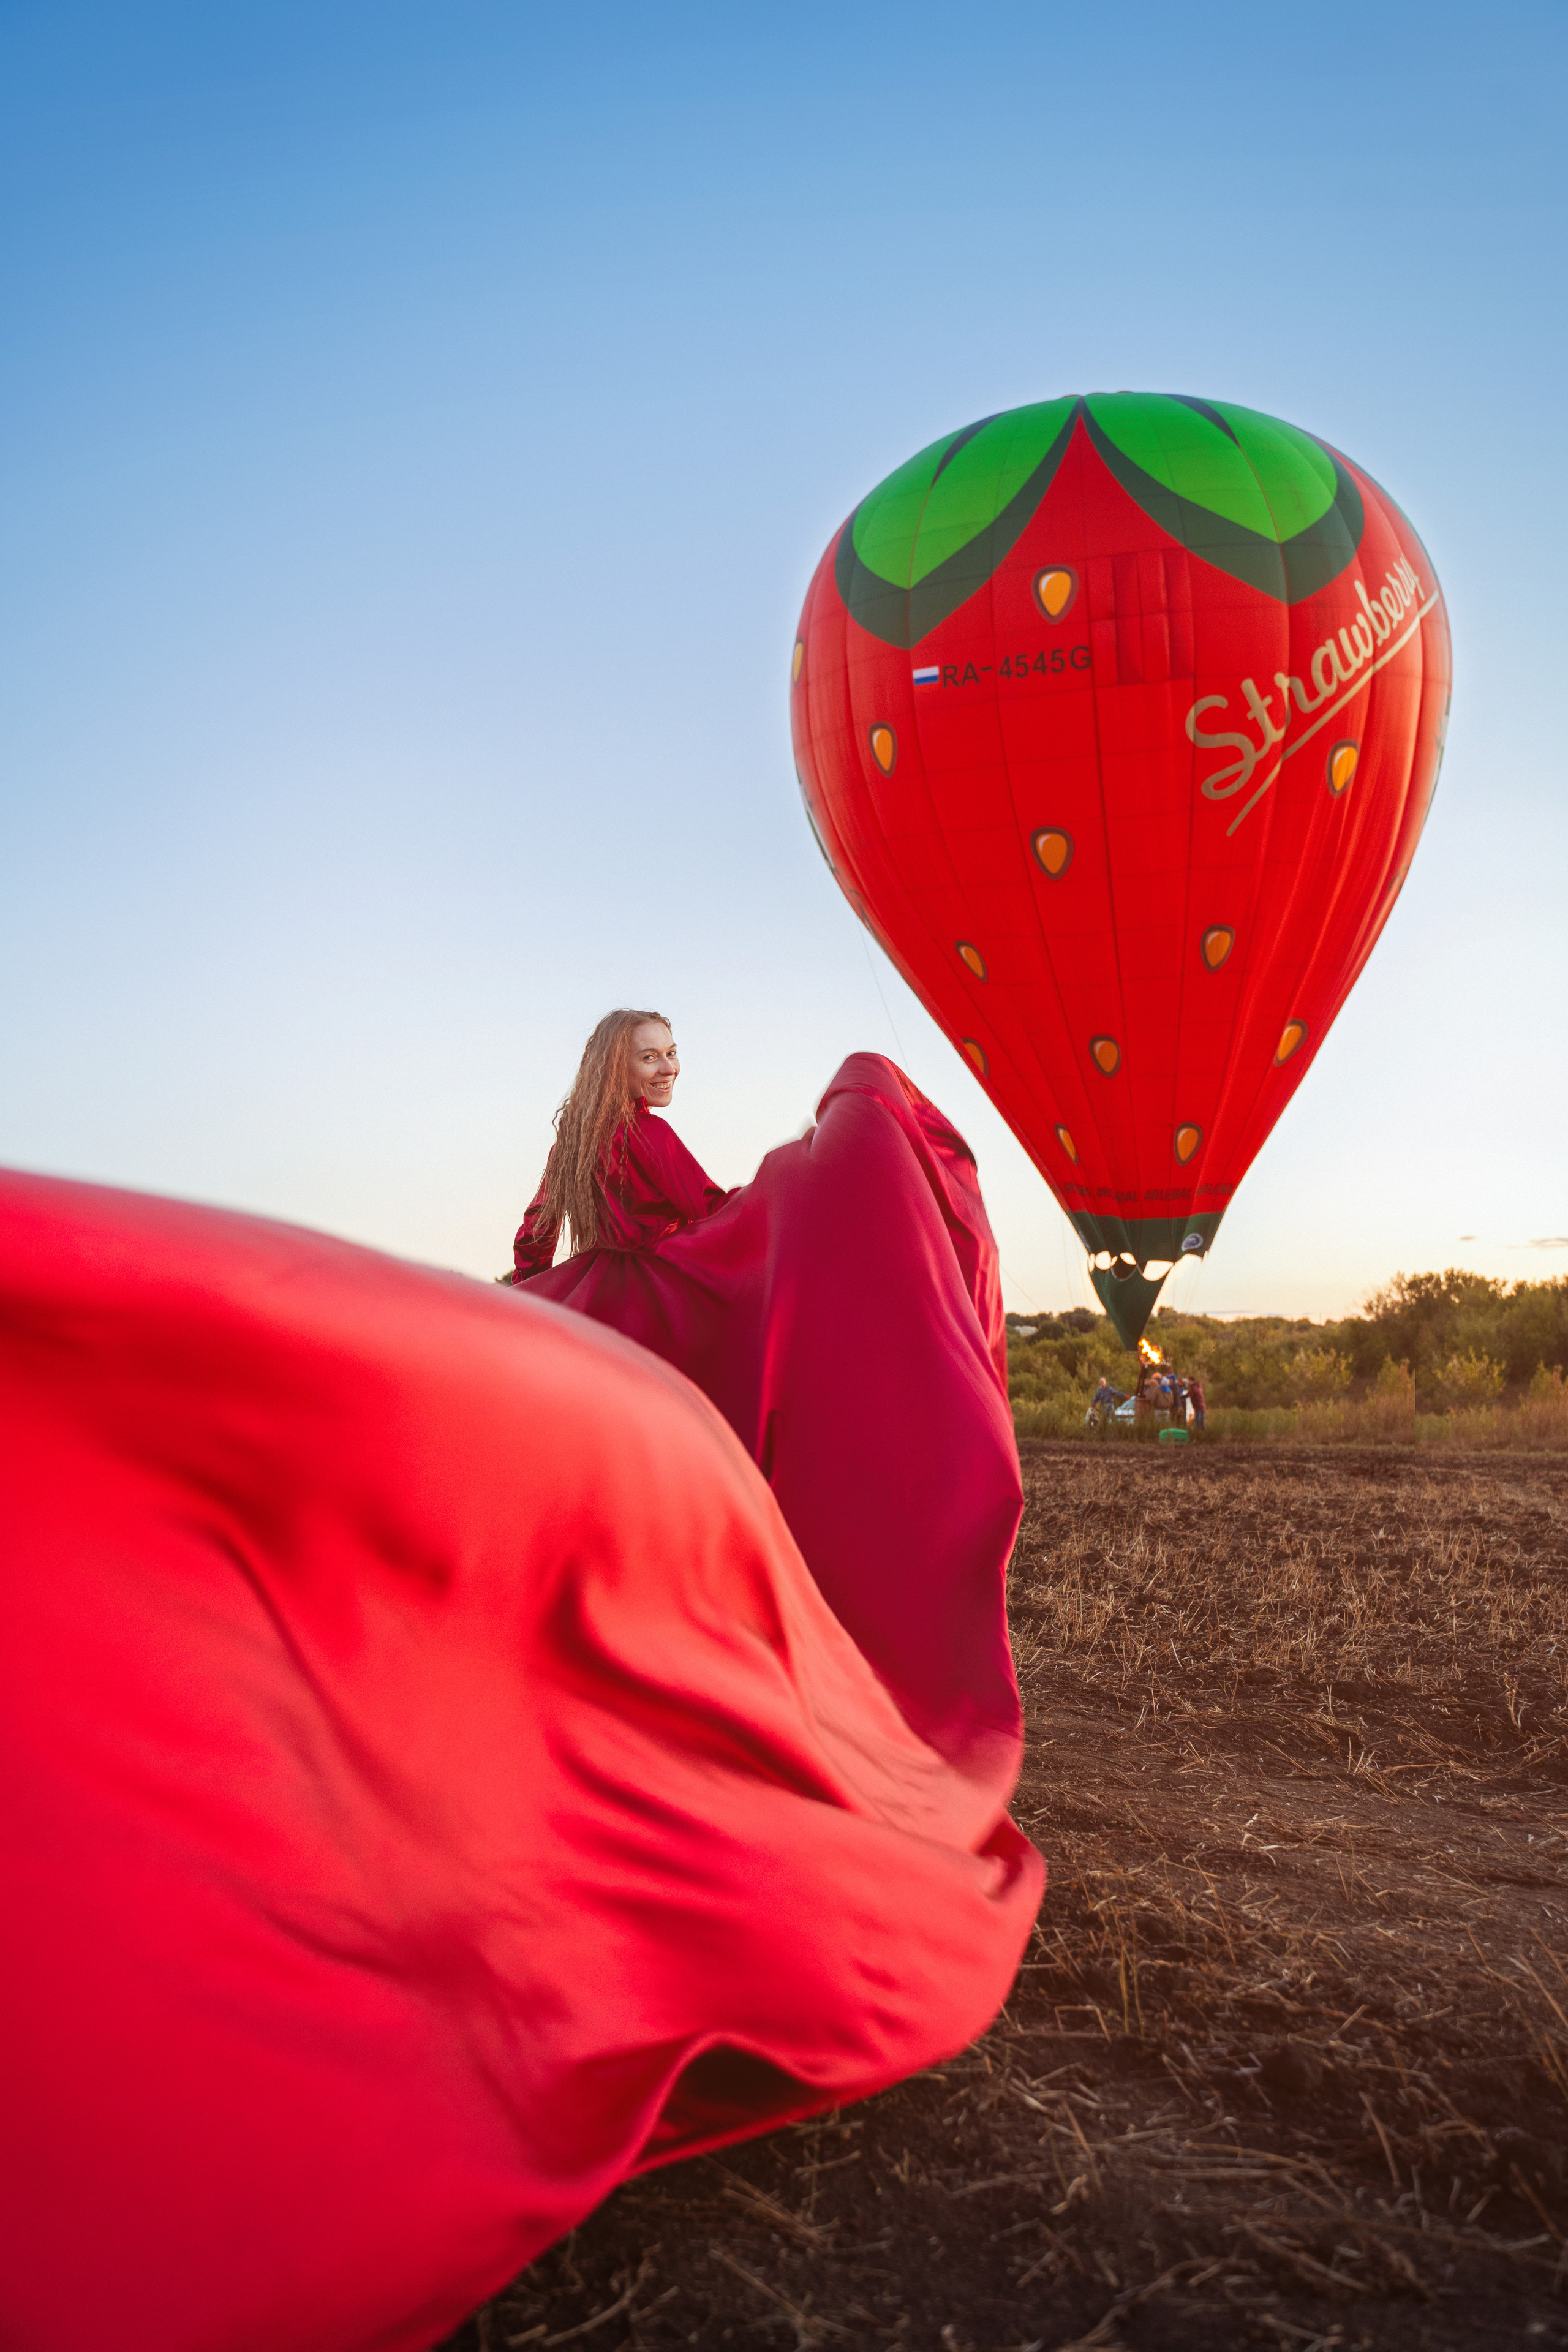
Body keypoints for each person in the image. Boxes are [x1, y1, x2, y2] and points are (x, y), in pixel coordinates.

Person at [508, 1009, 729, 1280]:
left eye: (671, 1053)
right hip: (661, 1285)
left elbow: (536, 1235)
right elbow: (715, 1211)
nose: (669, 1068)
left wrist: (531, 1291)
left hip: (596, 1286)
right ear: (617, 1067)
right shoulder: (650, 1133)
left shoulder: (571, 1146)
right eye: (649, 1057)